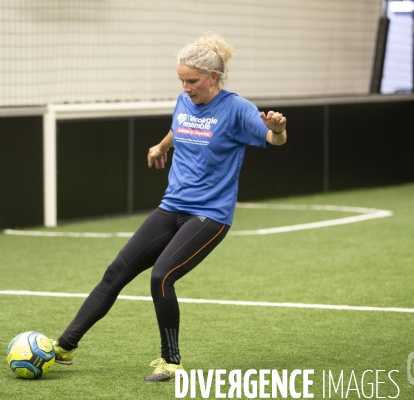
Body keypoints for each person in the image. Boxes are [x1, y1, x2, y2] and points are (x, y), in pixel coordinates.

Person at [50, 32, 287, 382]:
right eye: (181, 80)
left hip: (210, 215)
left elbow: (272, 139)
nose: (186, 87)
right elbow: (180, 128)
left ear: (213, 78)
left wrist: (277, 129)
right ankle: (65, 346)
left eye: (192, 81)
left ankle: (171, 363)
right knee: (117, 271)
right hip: (172, 206)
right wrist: (161, 146)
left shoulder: (237, 109)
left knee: (162, 277)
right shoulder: (183, 101)